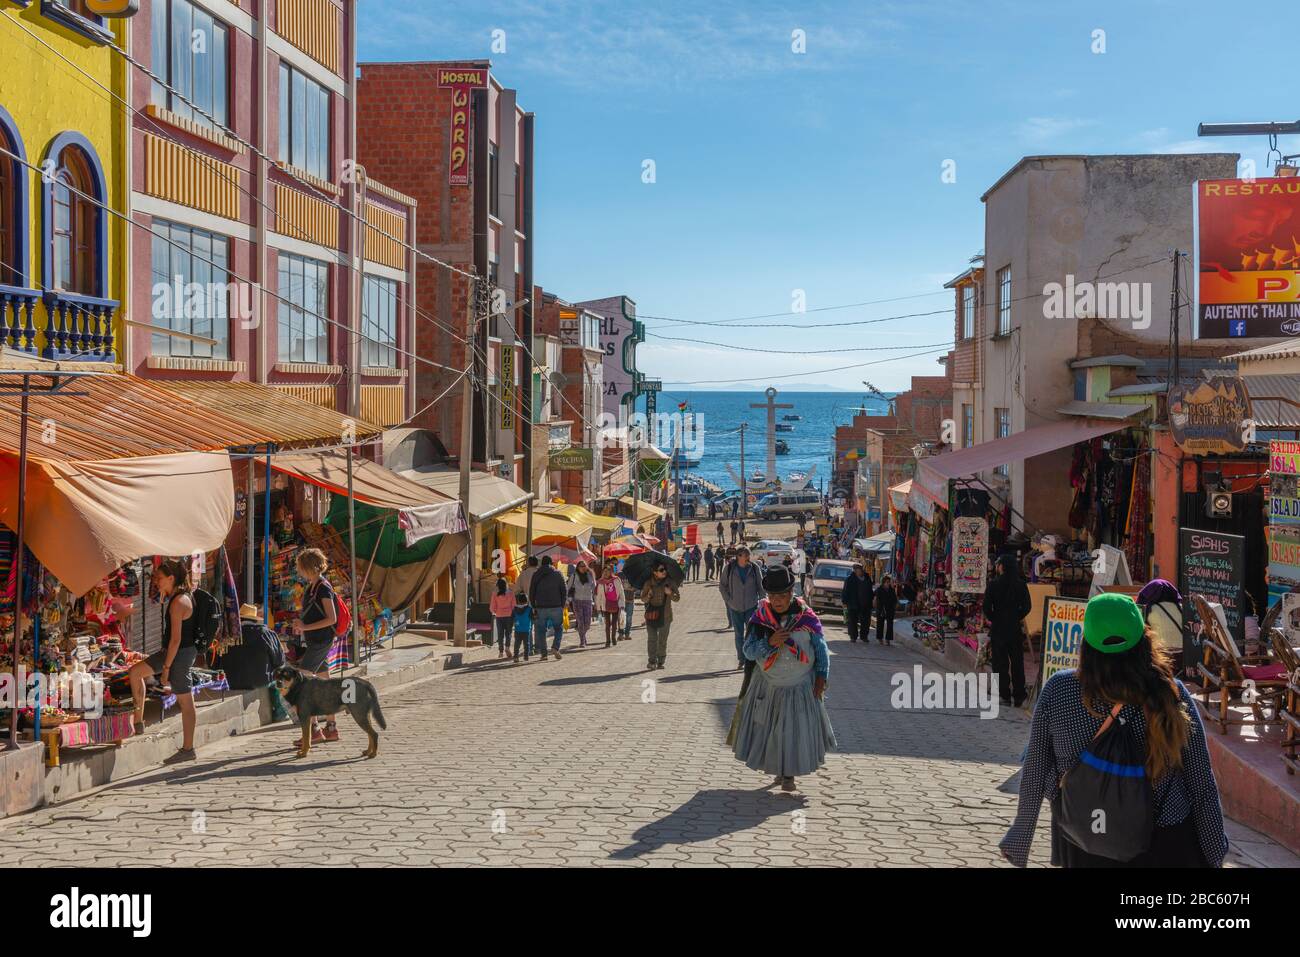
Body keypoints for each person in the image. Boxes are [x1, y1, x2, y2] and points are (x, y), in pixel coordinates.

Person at [1000, 593, 1228, 868]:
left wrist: (1021, 834)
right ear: (1143, 639)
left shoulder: (1059, 691)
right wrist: (1215, 851)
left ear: (1087, 643)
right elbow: (1201, 782)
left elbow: (1035, 768)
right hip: (1164, 840)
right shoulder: (1170, 693)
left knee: (1031, 756)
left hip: (1086, 837)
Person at [732, 564, 835, 793]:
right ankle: (780, 769)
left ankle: (788, 775)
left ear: (791, 594)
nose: (777, 600)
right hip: (769, 687)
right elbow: (748, 652)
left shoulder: (806, 619)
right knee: (772, 731)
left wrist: (821, 677)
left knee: (791, 731)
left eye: (782, 595)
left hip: (799, 687)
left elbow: (821, 650)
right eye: (773, 596)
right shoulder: (760, 620)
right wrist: (770, 643)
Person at [127, 558, 201, 762]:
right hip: (171, 651)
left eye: (159, 578)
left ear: (171, 578)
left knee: (185, 701)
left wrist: (166, 669)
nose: (156, 582)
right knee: (135, 672)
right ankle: (138, 721)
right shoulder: (179, 596)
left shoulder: (178, 602)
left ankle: (188, 749)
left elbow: (176, 640)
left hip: (179, 654)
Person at [290, 547, 341, 740]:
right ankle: (331, 728)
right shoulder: (312, 586)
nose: (298, 570)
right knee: (325, 683)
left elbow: (331, 618)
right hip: (315, 641)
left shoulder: (323, 587)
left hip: (321, 640)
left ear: (308, 567)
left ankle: (313, 730)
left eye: (300, 566)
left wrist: (305, 627)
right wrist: (302, 625)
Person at [984, 555, 1032, 706]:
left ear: (1002, 566)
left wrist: (995, 618)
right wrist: (1016, 616)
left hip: (998, 629)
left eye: (998, 565)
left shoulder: (993, 584)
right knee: (1017, 662)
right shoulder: (1021, 584)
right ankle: (1019, 695)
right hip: (1014, 629)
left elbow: (986, 608)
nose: (997, 567)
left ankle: (1005, 695)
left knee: (1000, 663)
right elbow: (1027, 607)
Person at [720, 546, 765, 671]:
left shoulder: (754, 568)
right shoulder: (729, 568)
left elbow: (761, 587)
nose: (747, 558)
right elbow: (722, 586)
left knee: (751, 634)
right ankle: (741, 659)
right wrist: (729, 600)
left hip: (751, 606)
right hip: (735, 607)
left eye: (748, 556)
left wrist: (762, 602)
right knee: (738, 634)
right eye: (745, 556)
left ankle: (751, 658)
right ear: (738, 556)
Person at [640, 562, 680, 670]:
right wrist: (648, 596)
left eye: (664, 569)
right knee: (652, 639)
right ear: (655, 572)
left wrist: (670, 593)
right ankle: (652, 661)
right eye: (661, 570)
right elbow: (642, 598)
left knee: (662, 640)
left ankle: (661, 660)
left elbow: (677, 598)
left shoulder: (670, 582)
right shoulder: (649, 583)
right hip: (651, 615)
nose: (664, 571)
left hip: (666, 616)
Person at [529, 556, 566, 660]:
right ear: (551, 563)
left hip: (540, 607)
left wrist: (533, 605)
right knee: (558, 628)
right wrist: (562, 604)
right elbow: (564, 590)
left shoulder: (536, 574)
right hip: (556, 606)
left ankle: (544, 654)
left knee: (541, 630)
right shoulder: (558, 574)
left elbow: (532, 591)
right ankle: (555, 647)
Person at [841, 563, 874, 643]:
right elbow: (845, 591)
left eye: (861, 569)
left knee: (866, 622)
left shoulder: (867, 578)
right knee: (852, 621)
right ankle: (853, 637)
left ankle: (864, 636)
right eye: (858, 570)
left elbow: (870, 590)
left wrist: (872, 599)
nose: (860, 571)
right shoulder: (850, 579)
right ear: (855, 571)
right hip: (853, 603)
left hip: (866, 604)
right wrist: (844, 601)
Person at [567, 560, 596, 647]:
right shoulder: (574, 576)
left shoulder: (590, 575)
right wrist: (568, 600)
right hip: (577, 601)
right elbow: (568, 588)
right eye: (581, 566)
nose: (583, 568)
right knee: (580, 622)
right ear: (578, 568)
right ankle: (582, 641)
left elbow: (594, 588)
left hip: (588, 601)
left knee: (587, 623)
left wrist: (596, 600)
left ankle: (583, 635)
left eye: (584, 566)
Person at [599, 565, 626, 648]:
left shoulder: (616, 580)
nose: (606, 573)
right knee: (607, 624)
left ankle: (613, 638)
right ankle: (608, 641)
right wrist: (598, 607)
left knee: (614, 623)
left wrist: (622, 605)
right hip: (606, 604)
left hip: (615, 604)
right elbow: (599, 595)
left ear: (611, 572)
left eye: (607, 571)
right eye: (604, 572)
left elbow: (621, 593)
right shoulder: (601, 582)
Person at [490, 576, 515, 659]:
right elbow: (513, 606)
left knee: (500, 634)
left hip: (499, 616)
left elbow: (492, 606)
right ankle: (507, 647)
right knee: (508, 633)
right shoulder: (511, 593)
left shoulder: (495, 594)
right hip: (509, 615)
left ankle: (501, 652)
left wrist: (495, 611)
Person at [874, 574, 897, 645]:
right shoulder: (879, 590)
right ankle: (880, 638)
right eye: (886, 582)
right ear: (883, 582)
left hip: (890, 609)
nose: (888, 583)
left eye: (889, 582)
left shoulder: (891, 590)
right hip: (881, 609)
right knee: (880, 624)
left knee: (890, 624)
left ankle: (888, 639)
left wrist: (894, 606)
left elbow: (894, 599)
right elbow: (877, 599)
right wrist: (878, 608)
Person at [511, 593, 533, 663]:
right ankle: (526, 656)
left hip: (517, 629)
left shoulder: (514, 609)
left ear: (518, 600)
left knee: (517, 644)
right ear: (526, 600)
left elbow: (512, 618)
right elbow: (532, 618)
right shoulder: (529, 609)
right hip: (526, 629)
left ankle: (516, 657)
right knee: (526, 644)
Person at [619, 565, 636, 640]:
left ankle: (627, 634)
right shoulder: (619, 575)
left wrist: (630, 587)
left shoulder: (634, 576)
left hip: (630, 600)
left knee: (629, 618)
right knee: (621, 617)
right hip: (621, 600)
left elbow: (636, 587)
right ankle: (620, 634)